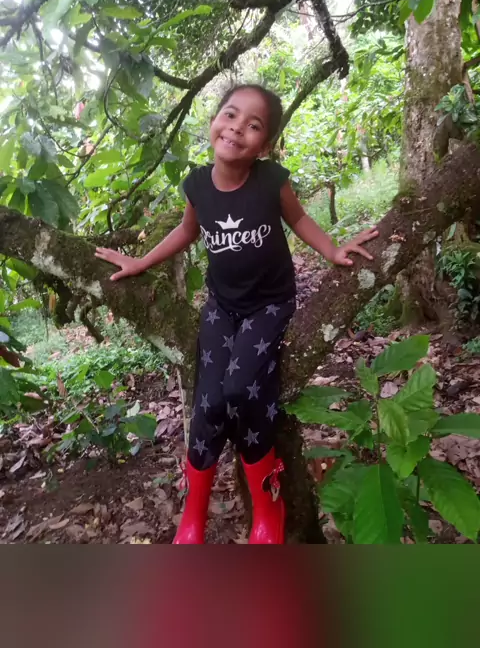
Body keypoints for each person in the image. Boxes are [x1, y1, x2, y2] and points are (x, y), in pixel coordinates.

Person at [95, 84, 378, 545]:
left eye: (253, 124)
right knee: (208, 404)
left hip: (269, 305)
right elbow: (187, 231)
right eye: (229, 115)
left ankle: (268, 510)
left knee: (241, 392)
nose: (237, 128)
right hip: (222, 307)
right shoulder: (197, 186)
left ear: (264, 145)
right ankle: (193, 516)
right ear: (214, 121)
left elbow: (299, 219)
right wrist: (141, 261)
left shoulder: (270, 181)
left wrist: (332, 250)